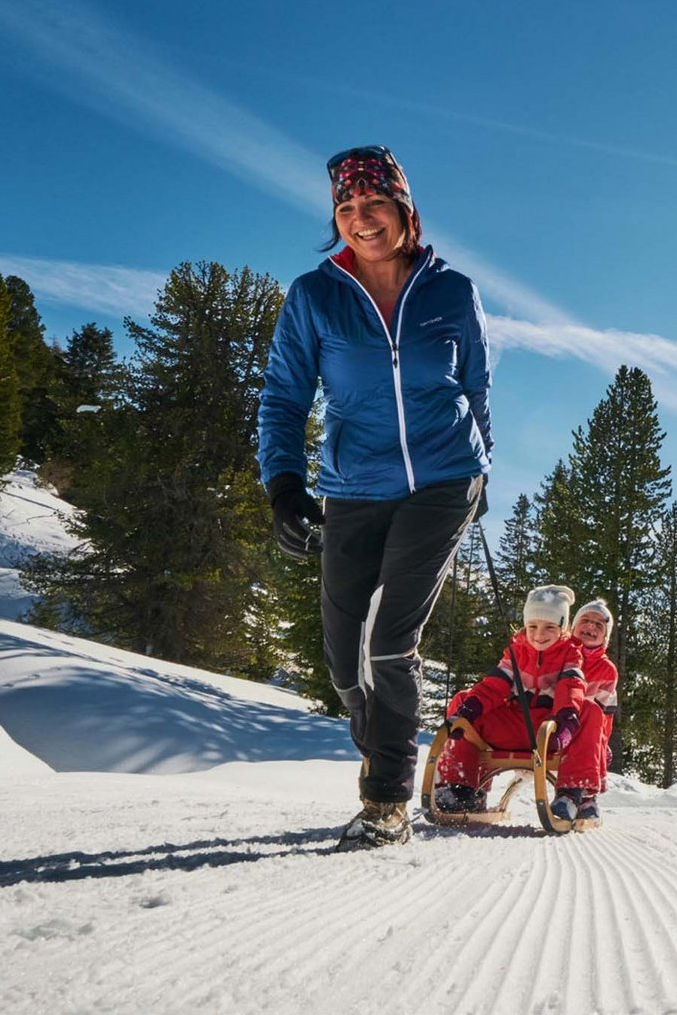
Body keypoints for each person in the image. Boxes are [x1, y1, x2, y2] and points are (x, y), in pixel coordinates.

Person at [257, 145, 491, 849]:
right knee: (343, 658)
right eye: (347, 208)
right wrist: (284, 483)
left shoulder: (452, 291)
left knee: (389, 641)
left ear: (405, 212)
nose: (361, 219)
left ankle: (386, 802)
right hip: (353, 485)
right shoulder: (315, 296)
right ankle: (382, 747)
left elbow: (476, 387)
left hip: (444, 481)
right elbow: (284, 396)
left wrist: (481, 468)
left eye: (375, 205)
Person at [434, 585, 607, 827]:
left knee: (590, 709)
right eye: (533, 626)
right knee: (464, 699)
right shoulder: (515, 651)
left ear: (563, 628)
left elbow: (571, 688)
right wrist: (468, 711)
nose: (539, 634)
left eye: (549, 627)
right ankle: (460, 786)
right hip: (512, 726)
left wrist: (565, 724)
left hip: (547, 732)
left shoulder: (570, 653)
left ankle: (572, 793)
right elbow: (494, 686)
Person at [563, 598, 619, 825]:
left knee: (595, 718)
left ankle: (586, 794)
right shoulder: (559, 655)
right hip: (556, 725)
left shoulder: (607, 670)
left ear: (605, 637)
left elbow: (605, 716)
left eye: (599, 625)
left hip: (588, 729)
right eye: (585, 621)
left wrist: (603, 743)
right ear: (572, 627)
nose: (591, 627)